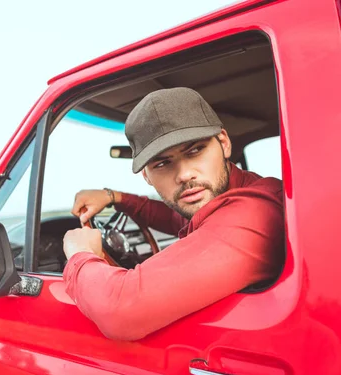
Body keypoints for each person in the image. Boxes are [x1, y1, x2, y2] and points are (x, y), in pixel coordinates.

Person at [62, 87, 284, 341]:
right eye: (162, 163)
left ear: (223, 142)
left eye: (195, 151)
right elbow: (175, 218)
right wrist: (115, 197)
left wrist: (80, 254)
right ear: (146, 175)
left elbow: (120, 310)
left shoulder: (255, 210)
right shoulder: (227, 195)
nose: (184, 174)